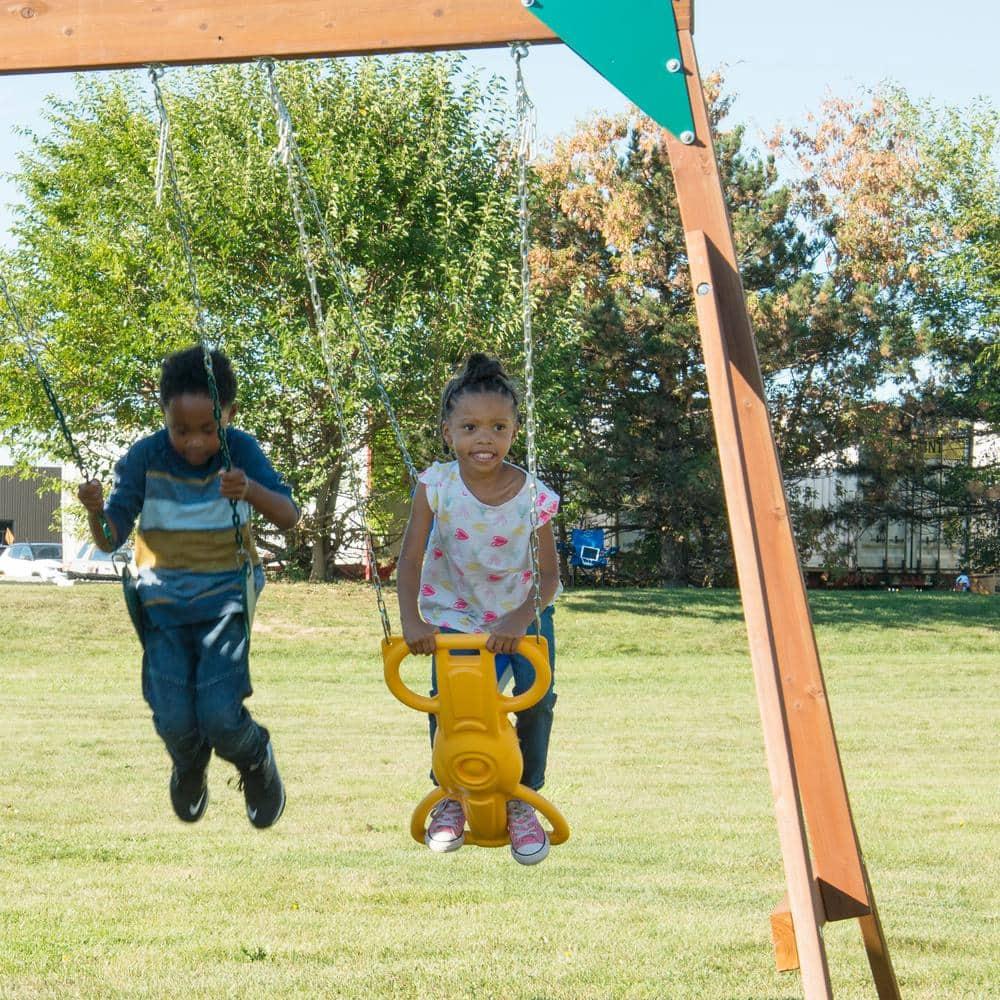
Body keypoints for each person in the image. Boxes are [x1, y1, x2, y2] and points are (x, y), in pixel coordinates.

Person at [77, 346, 299, 829]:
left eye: (207, 429)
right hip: (162, 608)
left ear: (229, 414)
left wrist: (249, 490)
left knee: (220, 716)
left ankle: (255, 757)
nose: (196, 443)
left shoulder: (241, 450)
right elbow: (111, 536)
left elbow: (288, 516)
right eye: (182, 430)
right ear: (164, 416)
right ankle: (189, 764)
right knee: (175, 719)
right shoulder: (146, 456)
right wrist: (96, 511)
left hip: (223, 606)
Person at [396, 353, 562, 866]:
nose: (483, 438)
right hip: (456, 616)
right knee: (454, 705)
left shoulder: (533, 496)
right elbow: (410, 558)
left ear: (515, 431)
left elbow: (551, 576)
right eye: (470, 427)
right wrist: (411, 621)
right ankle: (449, 795)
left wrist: (518, 619)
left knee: (536, 701)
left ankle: (522, 797)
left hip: (522, 612)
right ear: (449, 433)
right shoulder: (436, 486)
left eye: (498, 426)